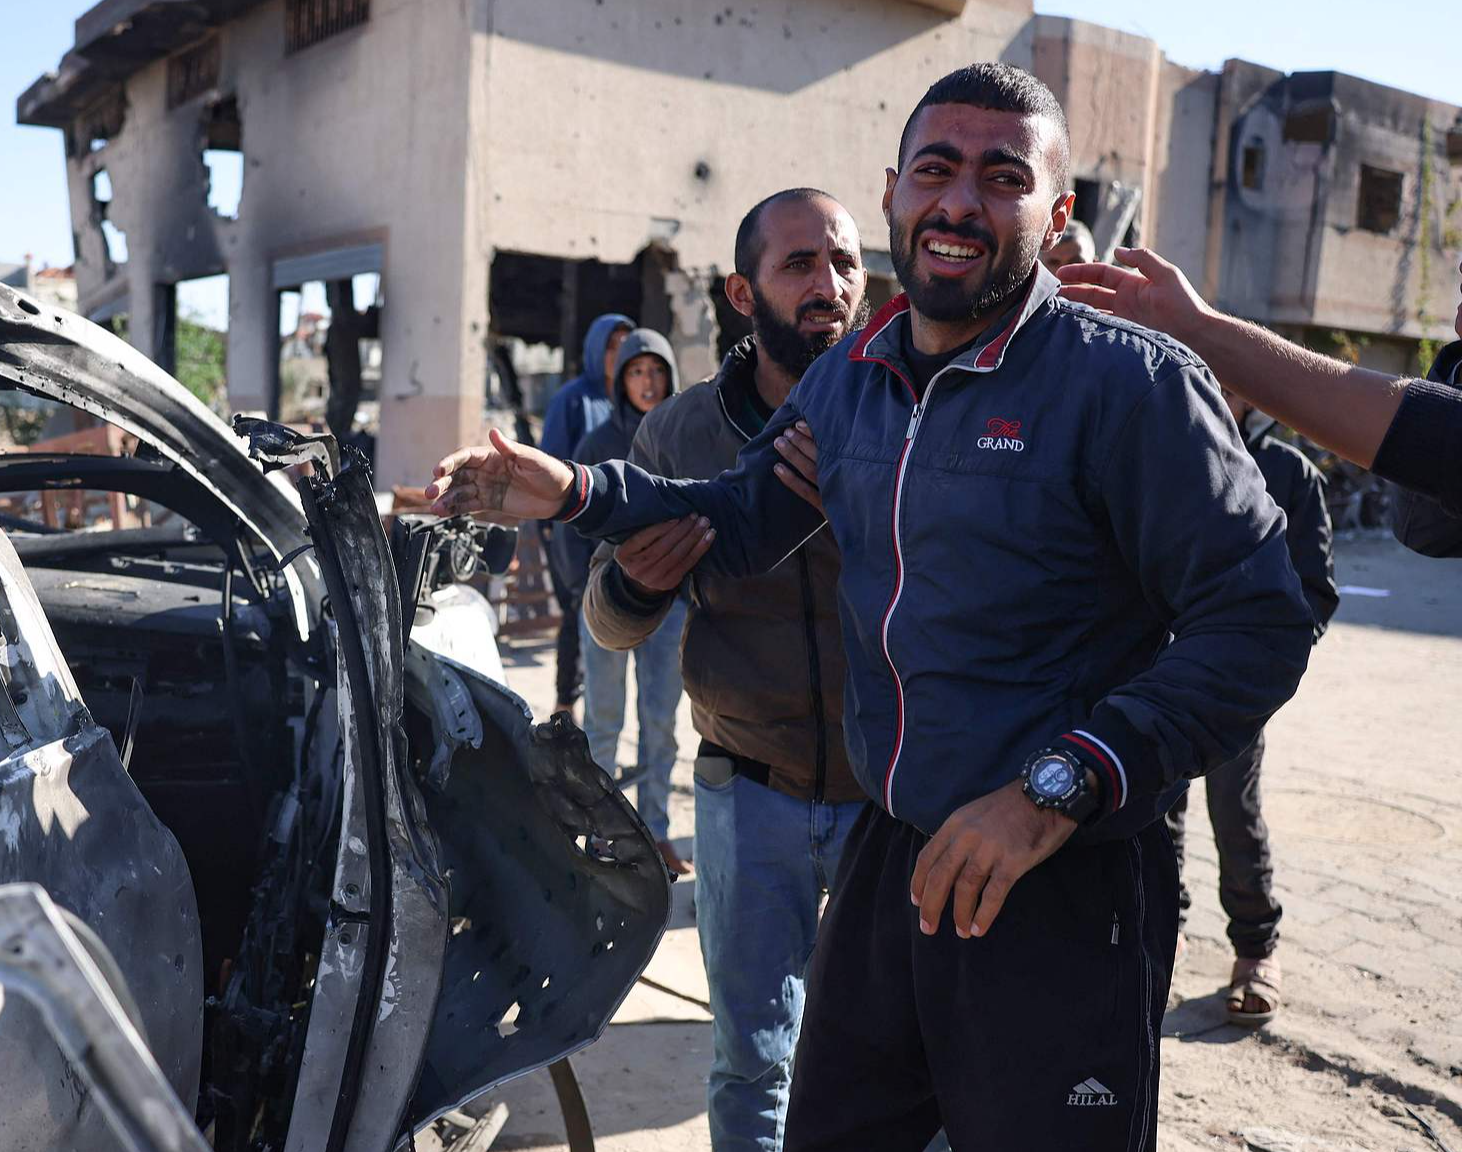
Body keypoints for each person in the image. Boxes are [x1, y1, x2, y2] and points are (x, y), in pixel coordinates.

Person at [425, 63, 1313, 1149]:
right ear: (893, 188)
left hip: (1061, 872)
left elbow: (1257, 619)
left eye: (1001, 178)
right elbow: (739, 513)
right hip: (896, 857)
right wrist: (575, 490)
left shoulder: (1126, 386)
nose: (957, 203)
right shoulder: (854, 376)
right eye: (934, 171)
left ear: (1056, 211)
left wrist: (1056, 786)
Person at [582, 189, 868, 1150]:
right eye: (800, 265)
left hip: (897, 799)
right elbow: (607, 623)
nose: (828, 286)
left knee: (905, 1058)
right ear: (744, 293)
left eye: (844, 263)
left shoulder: (912, 413)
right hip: (748, 792)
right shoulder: (681, 434)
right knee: (753, 1058)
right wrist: (634, 587)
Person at [1059, 249, 1462, 554]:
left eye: (1226, 388)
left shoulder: (1288, 472)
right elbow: (1425, 521)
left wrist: (1199, 332)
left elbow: (1437, 441)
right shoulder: (1149, 454)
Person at [1168, 389, 1338, 1028]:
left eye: (1236, 377)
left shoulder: (1292, 473)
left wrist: (1263, 667)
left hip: (1236, 681)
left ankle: (1255, 949)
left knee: (1232, 808)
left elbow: (1315, 590)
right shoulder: (1173, 450)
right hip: (1158, 669)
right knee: (1157, 810)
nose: (1223, 388)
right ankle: (1163, 937)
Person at [565, 327, 689, 872]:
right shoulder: (596, 445)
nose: (648, 381)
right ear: (621, 382)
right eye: (637, 372)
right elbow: (567, 523)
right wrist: (580, 590)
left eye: (656, 371)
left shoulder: (684, 440)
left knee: (660, 722)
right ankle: (604, 833)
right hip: (606, 607)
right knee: (605, 721)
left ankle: (656, 831)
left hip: (671, 607)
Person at [539, 313, 634, 712]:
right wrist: (552, 525)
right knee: (576, 615)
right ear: (596, 350)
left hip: (614, 534)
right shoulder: (573, 399)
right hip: (572, 532)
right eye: (612, 346)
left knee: (606, 618)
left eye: (625, 346)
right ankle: (565, 708)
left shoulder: (631, 399)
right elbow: (551, 467)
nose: (619, 355)